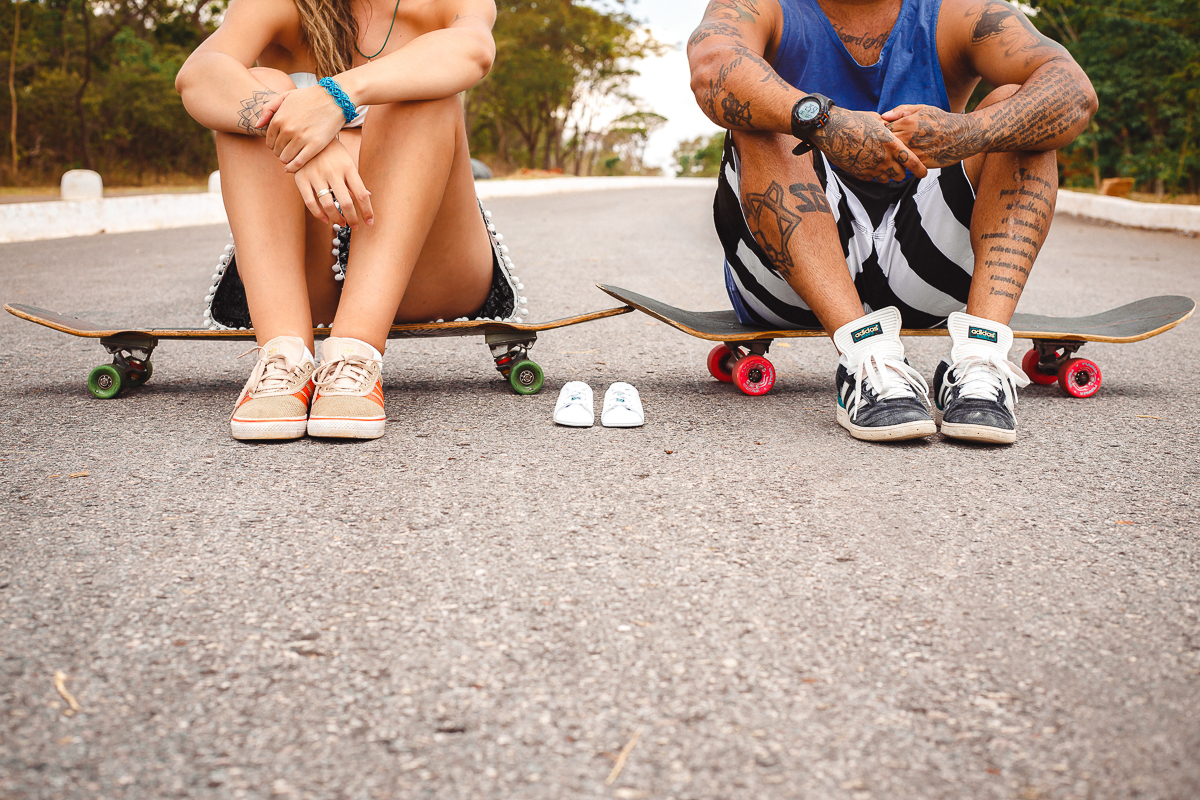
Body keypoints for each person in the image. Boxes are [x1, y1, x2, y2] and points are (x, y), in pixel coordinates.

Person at [687, 0, 1097, 444]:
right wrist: (824, 121)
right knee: (765, 109)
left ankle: (979, 360)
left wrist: (968, 132)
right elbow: (712, 69)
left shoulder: (960, 11)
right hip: (790, 284)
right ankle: (865, 362)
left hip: (928, 281)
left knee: (1022, 112)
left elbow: (1075, 90)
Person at [176, 0, 525, 441]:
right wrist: (294, 127)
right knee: (252, 87)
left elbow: (472, 50)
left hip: (428, 272)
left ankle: (356, 354)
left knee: (422, 80)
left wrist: (334, 99)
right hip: (307, 284)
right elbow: (198, 74)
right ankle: (283, 357)